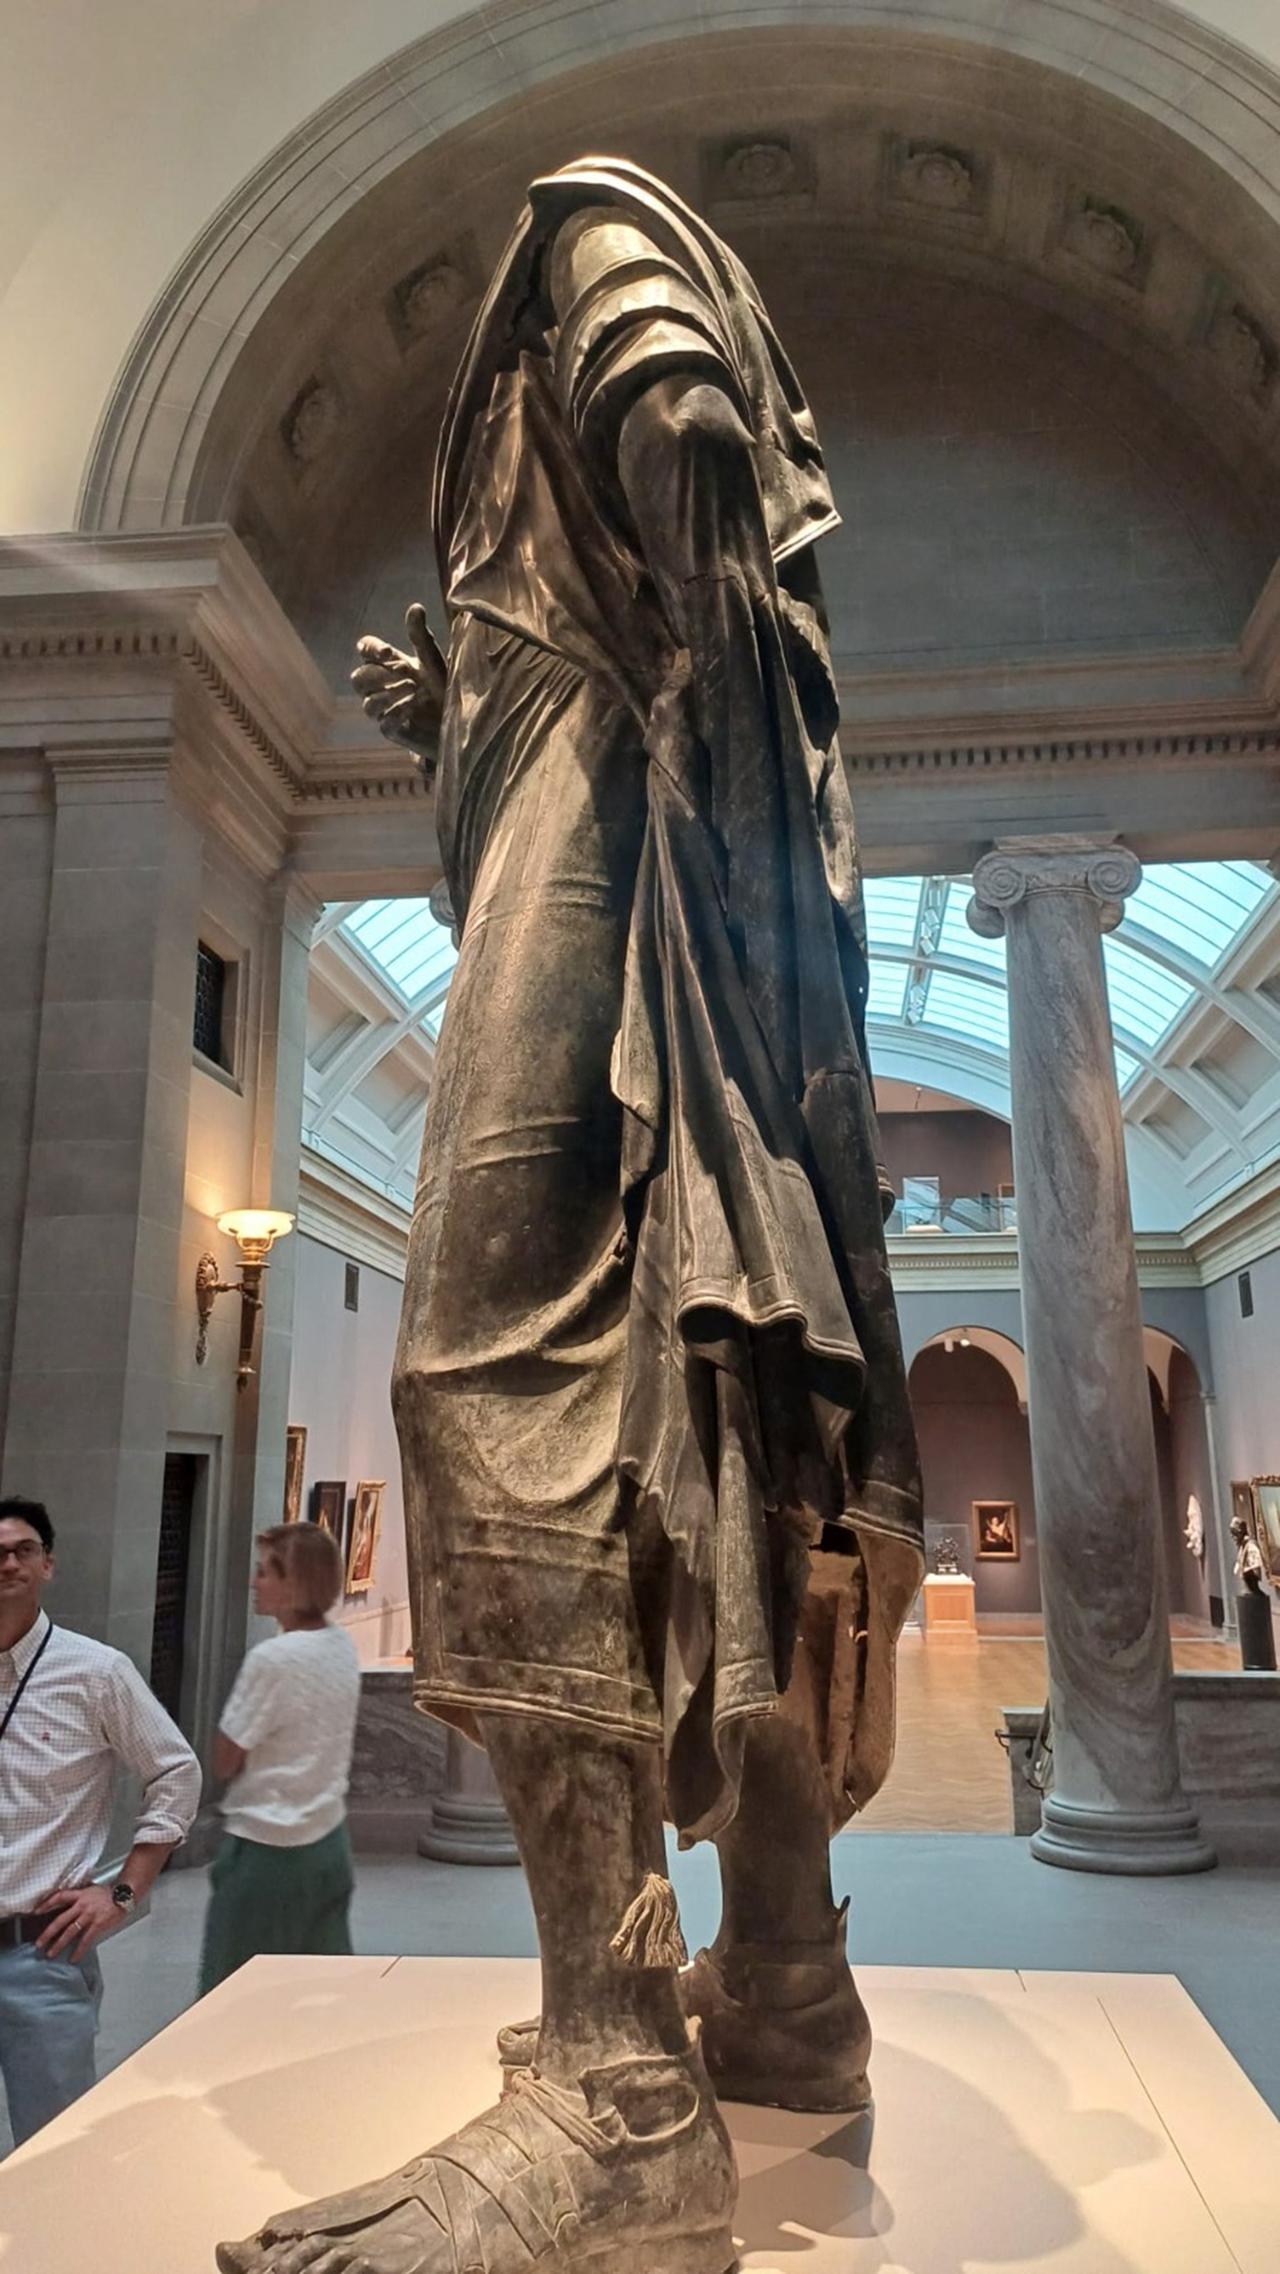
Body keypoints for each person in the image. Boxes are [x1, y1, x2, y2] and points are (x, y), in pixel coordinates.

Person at [219, 158, 922, 2274]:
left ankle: (619, 2079)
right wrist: (463, 720)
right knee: (714, 1395)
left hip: (623, 856)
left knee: (486, 1366)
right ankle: (786, 1989)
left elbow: (693, 427)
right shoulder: (525, 444)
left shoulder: (571, 228)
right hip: (606, 825)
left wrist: (689, 693)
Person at [0, 1494, 201, 2147]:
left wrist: (122, 1892)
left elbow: (176, 1771)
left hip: (40, 1956)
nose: (7, 1563)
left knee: (51, 2149)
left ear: (48, 1565)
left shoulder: (94, 1672)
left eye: (22, 1551)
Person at [199, 1523, 361, 1995]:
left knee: (236, 2001)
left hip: (267, 1851)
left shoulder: (272, 1658)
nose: (255, 1582)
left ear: (296, 1584)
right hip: (328, 1843)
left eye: (265, 1572)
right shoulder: (341, 1646)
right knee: (318, 1997)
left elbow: (226, 1759)